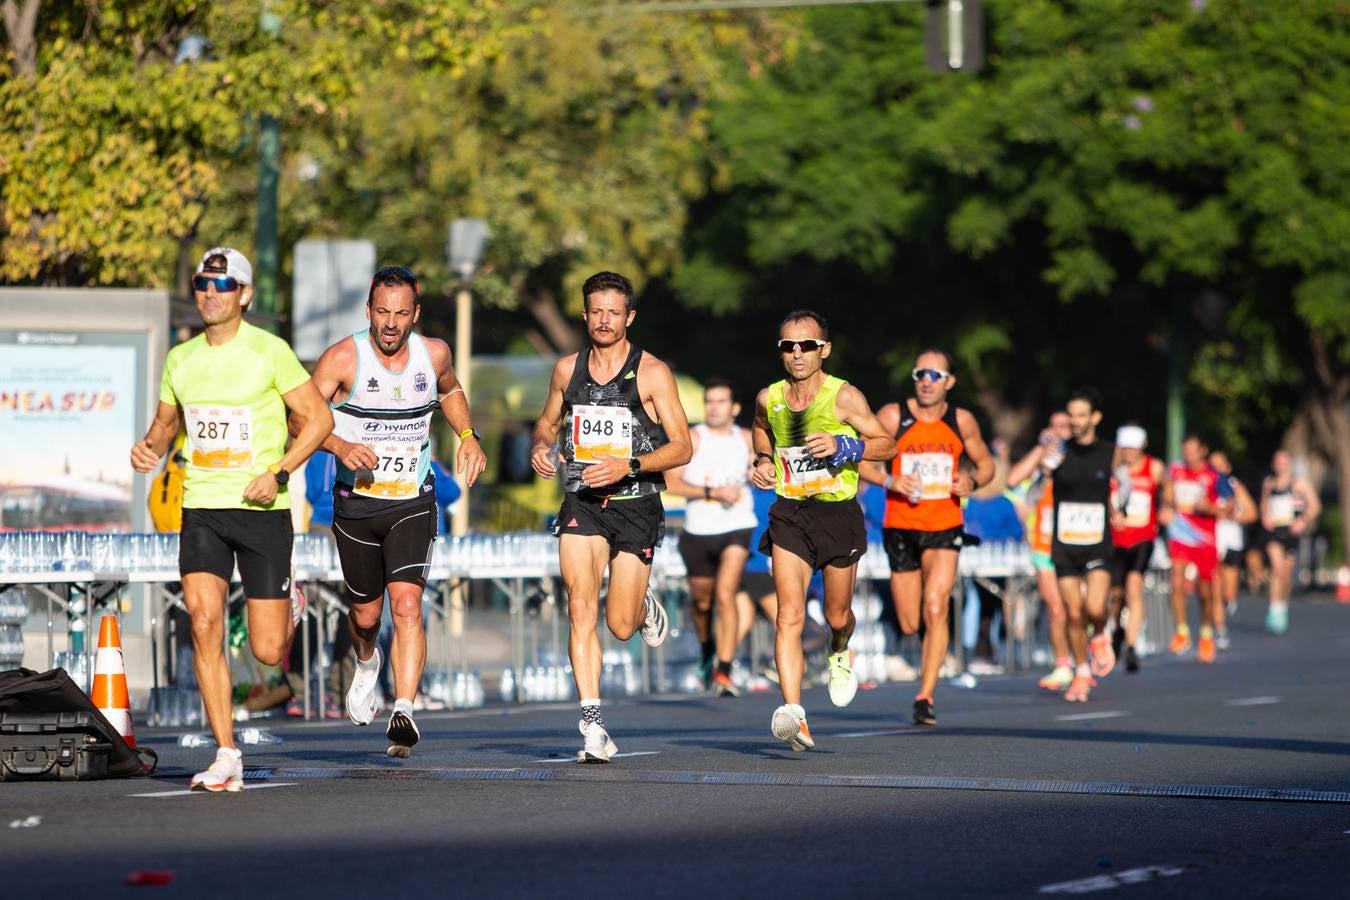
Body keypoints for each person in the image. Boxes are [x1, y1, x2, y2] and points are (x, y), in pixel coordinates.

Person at [130, 247, 333, 791]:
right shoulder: (181, 359)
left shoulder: (271, 352)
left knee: (267, 650)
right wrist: (148, 447)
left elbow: (318, 418)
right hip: (203, 507)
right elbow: (165, 425)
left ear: (245, 294)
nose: (209, 293)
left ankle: (290, 602)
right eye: (202, 283)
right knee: (204, 625)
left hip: (262, 508)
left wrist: (281, 471)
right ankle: (226, 752)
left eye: (222, 285)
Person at [294, 265, 487, 757]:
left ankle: (403, 707)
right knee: (365, 615)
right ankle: (365, 661)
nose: (391, 322)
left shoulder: (434, 353)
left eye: (401, 313)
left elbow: (450, 390)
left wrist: (467, 436)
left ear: (415, 315)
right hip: (356, 504)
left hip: (411, 501)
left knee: (406, 605)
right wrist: (337, 445)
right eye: (383, 311)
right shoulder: (343, 359)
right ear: (369, 311)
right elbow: (297, 416)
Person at [529, 271, 692, 763]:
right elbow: (547, 421)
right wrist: (542, 447)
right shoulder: (566, 369)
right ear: (584, 315)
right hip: (581, 503)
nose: (604, 320)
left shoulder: (652, 373)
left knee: (620, 625)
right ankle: (592, 725)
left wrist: (631, 464)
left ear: (629, 317)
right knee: (580, 606)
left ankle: (644, 605)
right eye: (596, 311)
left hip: (636, 504)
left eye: (613, 312)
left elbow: (684, 446)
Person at [751, 310, 895, 750]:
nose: (797, 353)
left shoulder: (844, 397)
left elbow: (887, 443)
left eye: (807, 345)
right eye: (788, 346)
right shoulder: (768, 397)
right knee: (787, 614)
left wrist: (845, 444)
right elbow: (761, 432)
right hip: (790, 513)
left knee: (836, 614)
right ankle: (794, 712)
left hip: (837, 515)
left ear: (824, 349)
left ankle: (839, 650)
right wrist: (760, 461)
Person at [859, 350, 993, 726]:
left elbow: (986, 465)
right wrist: (890, 480)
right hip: (901, 525)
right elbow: (863, 461)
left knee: (936, 606)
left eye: (935, 375)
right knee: (908, 621)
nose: (927, 381)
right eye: (920, 373)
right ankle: (927, 653)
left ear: (949, 382)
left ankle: (925, 695)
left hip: (945, 524)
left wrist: (972, 481)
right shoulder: (892, 415)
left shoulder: (960, 420)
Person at [666, 378, 758, 697]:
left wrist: (762, 469)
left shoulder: (747, 439)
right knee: (703, 602)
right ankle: (707, 648)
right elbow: (672, 482)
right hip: (698, 530)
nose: (714, 407)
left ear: (734, 408)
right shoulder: (693, 438)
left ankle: (725, 671)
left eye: (720, 401)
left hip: (737, 525)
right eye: (709, 401)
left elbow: (767, 468)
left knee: (725, 594)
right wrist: (712, 492)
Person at [1049, 388, 1119, 702]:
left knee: (1093, 607)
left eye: (1080, 415)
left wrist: (1123, 508)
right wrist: (1044, 455)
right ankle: (1081, 671)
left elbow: (1127, 482)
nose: (1074, 421)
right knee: (1073, 614)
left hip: (1097, 543)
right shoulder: (1059, 451)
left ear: (1095, 418)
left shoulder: (1109, 451)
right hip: (1064, 543)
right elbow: (1020, 482)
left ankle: (1102, 633)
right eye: (1071, 415)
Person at [1008, 413, 1075, 691]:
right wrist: (1040, 451)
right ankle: (1062, 664)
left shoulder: (1081, 455)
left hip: (1076, 541)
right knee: (1056, 608)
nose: (1059, 432)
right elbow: (1013, 479)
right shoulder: (1042, 460)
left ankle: (1082, 654)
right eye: (1054, 426)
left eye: (1065, 427)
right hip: (1044, 541)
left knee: (1077, 607)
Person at [1164, 434, 1234, 663]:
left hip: (1204, 538)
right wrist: (1165, 507)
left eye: (1193, 450)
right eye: (1186, 450)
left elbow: (1230, 506)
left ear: (1203, 450)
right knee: (1176, 581)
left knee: (1205, 592)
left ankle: (1205, 632)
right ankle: (1182, 632)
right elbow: (1166, 495)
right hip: (1180, 534)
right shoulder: (1175, 471)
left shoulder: (1214, 476)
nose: (1189, 455)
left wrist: (1211, 508)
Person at [1107, 424, 1166, 674]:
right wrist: (1112, 514)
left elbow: (1168, 490)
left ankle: (1131, 646)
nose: (1129, 453)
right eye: (1125, 448)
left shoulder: (1154, 467)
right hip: (1115, 539)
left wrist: (1168, 507)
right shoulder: (1111, 468)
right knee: (1115, 594)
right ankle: (1117, 630)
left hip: (1142, 538)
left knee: (1134, 588)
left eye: (1133, 448)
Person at [1260, 449, 1320, 634]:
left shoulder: (1299, 484)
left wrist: (1302, 521)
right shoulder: (1269, 483)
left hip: (1291, 532)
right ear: (1273, 464)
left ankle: (1281, 608)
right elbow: (1264, 504)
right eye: (1278, 461)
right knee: (1276, 568)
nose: (1281, 465)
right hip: (1274, 531)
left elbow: (1315, 506)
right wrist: (1265, 517)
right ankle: (1274, 607)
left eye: (1284, 461)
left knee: (1286, 575)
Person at [1209, 449, 1257, 647]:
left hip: (1231, 541)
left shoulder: (1235, 486)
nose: (1216, 470)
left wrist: (1233, 515)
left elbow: (1252, 514)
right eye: (1212, 465)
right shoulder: (1205, 486)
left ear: (1227, 467)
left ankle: (1230, 600)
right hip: (1212, 541)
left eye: (1220, 465)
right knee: (1215, 583)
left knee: (1228, 590)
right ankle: (1220, 629)